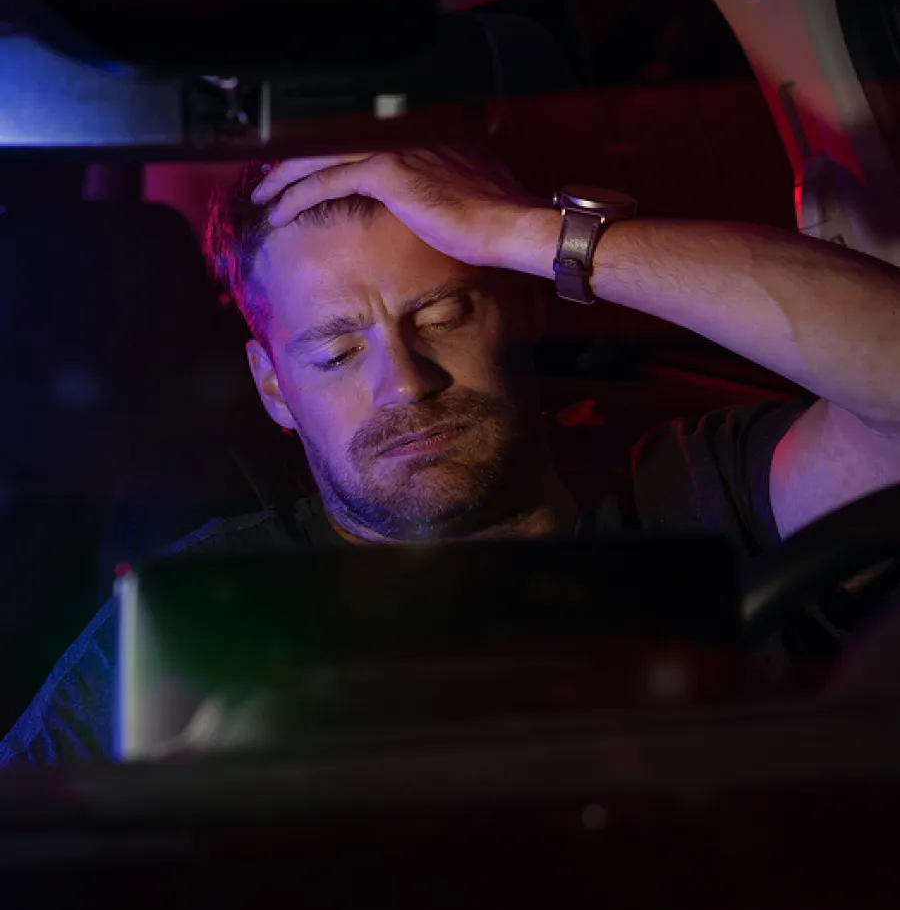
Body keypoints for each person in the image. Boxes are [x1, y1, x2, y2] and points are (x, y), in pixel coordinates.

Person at [5, 146, 900, 765]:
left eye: (442, 314)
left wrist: (528, 234)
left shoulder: (703, 494)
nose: (406, 382)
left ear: (528, 305)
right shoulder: (200, 609)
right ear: (274, 388)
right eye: (335, 351)